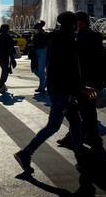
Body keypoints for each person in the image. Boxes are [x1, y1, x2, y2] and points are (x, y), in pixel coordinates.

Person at [14, 12, 86, 174]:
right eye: (75, 24)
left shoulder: (55, 37)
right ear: (72, 24)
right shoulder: (67, 39)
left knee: (75, 122)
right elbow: (70, 67)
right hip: (63, 90)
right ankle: (26, 153)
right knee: (53, 126)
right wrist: (79, 87)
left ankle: (81, 157)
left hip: (59, 87)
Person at [57, 11, 106, 150]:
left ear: (81, 23)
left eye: (75, 23)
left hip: (87, 82)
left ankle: (89, 139)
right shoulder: (87, 36)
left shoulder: (86, 38)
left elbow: (82, 60)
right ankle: (85, 138)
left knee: (85, 112)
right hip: (85, 82)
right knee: (84, 112)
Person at [0, 24, 17, 94]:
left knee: (4, 69)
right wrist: (15, 41)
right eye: (8, 28)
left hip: (0, 56)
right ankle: (1, 84)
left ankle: (2, 84)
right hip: (5, 55)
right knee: (5, 70)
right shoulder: (7, 36)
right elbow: (11, 44)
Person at [30, 20, 48, 93]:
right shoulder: (36, 35)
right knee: (34, 69)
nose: (34, 29)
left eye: (35, 28)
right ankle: (45, 81)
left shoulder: (43, 34)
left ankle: (42, 87)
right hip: (36, 52)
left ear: (39, 28)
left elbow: (45, 43)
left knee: (41, 70)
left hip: (42, 51)